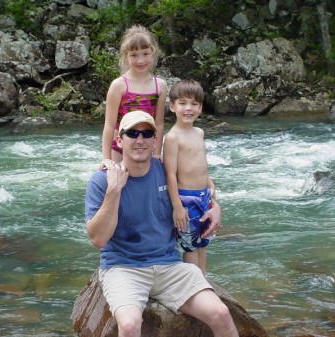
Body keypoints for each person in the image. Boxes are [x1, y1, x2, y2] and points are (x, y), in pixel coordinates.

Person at [85, 110, 238, 337]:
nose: (140, 140)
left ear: (155, 140)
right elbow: (97, 239)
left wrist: (215, 206)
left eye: (147, 133)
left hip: (169, 265)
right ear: (120, 139)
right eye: (132, 133)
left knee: (221, 313)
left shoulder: (166, 170)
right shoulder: (102, 180)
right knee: (128, 325)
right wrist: (114, 191)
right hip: (123, 267)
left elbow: (200, 180)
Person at [163, 79, 215, 273]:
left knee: (203, 240)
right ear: (172, 106)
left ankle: (203, 278)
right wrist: (177, 206)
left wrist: (210, 185)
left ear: (200, 108)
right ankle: (194, 284)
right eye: (183, 103)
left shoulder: (199, 132)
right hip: (185, 198)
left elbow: (200, 163)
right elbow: (170, 173)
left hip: (203, 196)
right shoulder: (173, 137)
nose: (188, 108)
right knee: (190, 245)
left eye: (194, 104)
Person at [100, 24, 167, 167]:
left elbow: (159, 124)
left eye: (145, 53)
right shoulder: (119, 85)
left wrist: (156, 153)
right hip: (119, 148)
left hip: (146, 145)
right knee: (119, 183)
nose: (140, 60)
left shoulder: (160, 86)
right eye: (134, 55)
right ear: (126, 56)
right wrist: (106, 158)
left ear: (152, 52)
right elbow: (109, 125)